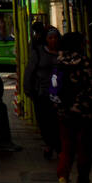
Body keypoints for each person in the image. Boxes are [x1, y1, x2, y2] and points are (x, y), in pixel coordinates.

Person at [54, 31, 92, 183]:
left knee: (66, 148)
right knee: (84, 150)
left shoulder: (59, 61)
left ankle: (62, 179)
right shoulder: (84, 62)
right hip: (83, 112)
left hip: (64, 112)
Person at [24, 24, 60, 160]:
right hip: (42, 93)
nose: (53, 41)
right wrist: (27, 89)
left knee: (56, 121)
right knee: (44, 121)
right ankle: (49, 144)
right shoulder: (38, 53)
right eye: (50, 38)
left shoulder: (63, 53)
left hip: (59, 94)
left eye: (55, 38)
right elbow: (29, 71)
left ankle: (56, 145)